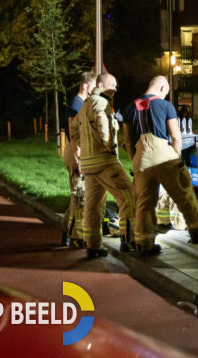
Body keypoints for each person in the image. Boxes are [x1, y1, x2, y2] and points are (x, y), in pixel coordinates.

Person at [122, 76, 198, 257]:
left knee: (144, 203)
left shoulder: (129, 108)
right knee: (185, 196)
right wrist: (175, 159)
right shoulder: (166, 106)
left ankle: (144, 243)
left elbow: (128, 141)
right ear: (162, 88)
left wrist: (135, 160)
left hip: (141, 158)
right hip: (163, 156)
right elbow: (176, 137)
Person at [70, 73, 135, 259]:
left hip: (90, 164)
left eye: (116, 85)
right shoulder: (101, 102)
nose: (115, 88)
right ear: (100, 84)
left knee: (93, 206)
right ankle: (129, 240)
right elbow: (101, 121)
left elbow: (74, 129)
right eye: (112, 84)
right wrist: (108, 143)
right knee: (128, 197)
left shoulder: (84, 106)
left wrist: (83, 147)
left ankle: (93, 246)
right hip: (105, 161)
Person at [60, 71, 97, 247]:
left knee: (76, 196)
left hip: (77, 152)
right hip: (77, 154)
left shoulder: (79, 104)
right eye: (93, 86)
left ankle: (67, 231)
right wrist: (80, 158)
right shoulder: (77, 105)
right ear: (85, 86)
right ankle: (73, 236)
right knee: (78, 196)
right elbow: (74, 134)